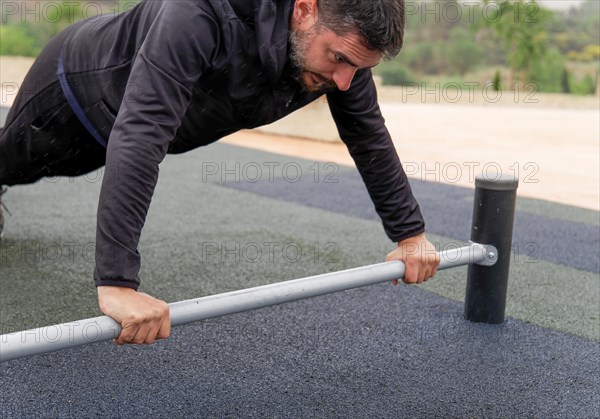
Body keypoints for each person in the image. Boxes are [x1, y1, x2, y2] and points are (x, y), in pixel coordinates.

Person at [0, 0, 440, 345]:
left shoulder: (343, 59)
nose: (345, 81)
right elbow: (142, 130)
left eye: (357, 68)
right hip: (74, 92)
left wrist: (410, 235)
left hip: (138, 129)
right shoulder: (199, 12)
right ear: (305, 9)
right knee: (15, 166)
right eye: (338, 58)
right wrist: (117, 282)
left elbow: (367, 135)